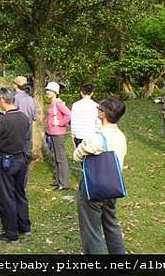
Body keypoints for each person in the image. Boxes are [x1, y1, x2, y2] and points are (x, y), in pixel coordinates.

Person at [73, 96, 127, 254]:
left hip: (93, 187)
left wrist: (82, 147)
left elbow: (77, 155)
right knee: (111, 224)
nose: (97, 110)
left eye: (99, 108)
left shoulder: (96, 137)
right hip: (114, 185)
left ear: (103, 114)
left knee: (92, 230)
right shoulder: (121, 136)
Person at [0, 88, 32, 244]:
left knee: (7, 197)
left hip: (6, 161)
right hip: (21, 159)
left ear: (2, 101)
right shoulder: (24, 117)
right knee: (20, 193)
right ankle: (24, 226)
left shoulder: (3, 121)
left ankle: (11, 233)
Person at [45, 82, 72, 191]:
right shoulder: (53, 103)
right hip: (52, 132)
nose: (47, 92)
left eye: (50, 90)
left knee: (61, 159)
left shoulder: (58, 103)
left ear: (55, 92)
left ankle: (64, 184)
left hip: (58, 133)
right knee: (56, 158)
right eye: (47, 90)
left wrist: (60, 123)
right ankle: (58, 181)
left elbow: (68, 114)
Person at [70, 83, 101, 148]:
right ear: (92, 93)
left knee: (80, 157)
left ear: (81, 93)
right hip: (92, 136)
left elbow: (73, 122)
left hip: (79, 135)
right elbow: (98, 123)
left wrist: (73, 135)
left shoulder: (75, 105)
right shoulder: (96, 106)